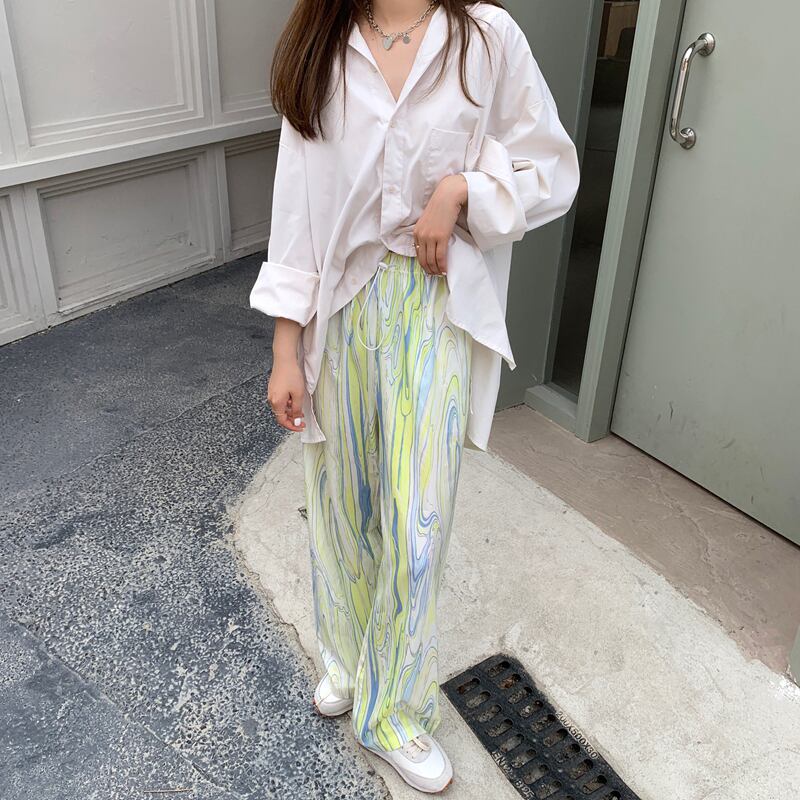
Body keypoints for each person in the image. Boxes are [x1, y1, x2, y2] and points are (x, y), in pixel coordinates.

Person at [250, 0, 579, 792]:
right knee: (341, 503)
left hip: (433, 307)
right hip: (341, 311)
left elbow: (551, 170)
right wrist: (286, 349)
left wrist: (463, 189)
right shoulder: (323, 43)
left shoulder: (486, 37)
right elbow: (296, 214)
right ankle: (347, 661)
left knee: (416, 517)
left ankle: (393, 710)